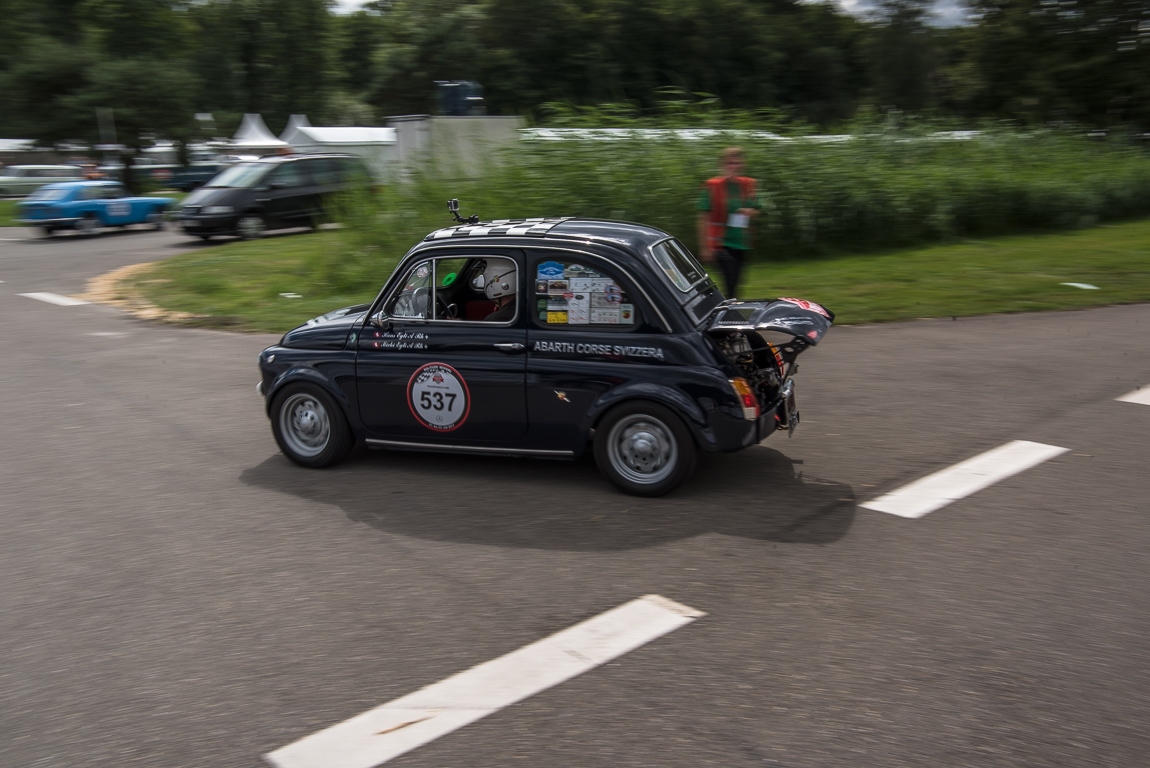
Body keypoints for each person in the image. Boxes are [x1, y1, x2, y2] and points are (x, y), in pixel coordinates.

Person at [696, 146, 761, 299]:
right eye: (730, 163)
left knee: (736, 284)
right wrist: (704, 248)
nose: (733, 167)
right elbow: (702, 218)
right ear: (722, 165)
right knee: (731, 283)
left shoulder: (748, 184)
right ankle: (728, 313)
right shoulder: (711, 186)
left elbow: (757, 209)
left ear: (743, 164)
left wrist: (750, 212)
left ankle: (727, 311)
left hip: (740, 242)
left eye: (737, 163)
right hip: (719, 244)